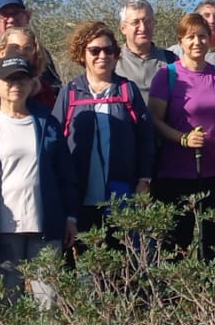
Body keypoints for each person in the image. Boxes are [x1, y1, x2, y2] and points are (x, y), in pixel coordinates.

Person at [0, 54, 70, 299]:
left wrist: (70, 217)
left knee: (49, 304)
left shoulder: (47, 124)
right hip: (1, 229)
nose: (15, 85)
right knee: (9, 305)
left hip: (45, 227)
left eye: (21, 78)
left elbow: (65, 175)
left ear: (32, 84)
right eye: (8, 79)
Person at [58, 21, 156, 245]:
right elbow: (56, 146)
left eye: (109, 50)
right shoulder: (70, 93)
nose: (103, 55)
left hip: (122, 193)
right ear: (82, 54)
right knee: (88, 267)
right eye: (95, 50)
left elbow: (145, 137)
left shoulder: (127, 90)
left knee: (124, 263)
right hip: (80, 197)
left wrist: (144, 179)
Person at [148, 12, 215, 258]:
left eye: (203, 36)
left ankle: (210, 296)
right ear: (180, 41)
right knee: (176, 246)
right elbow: (153, 120)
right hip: (176, 175)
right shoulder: (168, 75)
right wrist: (182, 138)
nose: (197, 42)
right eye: (191, 37)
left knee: (214, 247)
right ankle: (174, 297)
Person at [0, 24, 62, 115]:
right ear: (2, 52)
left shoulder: (45, 93)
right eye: (15, 47)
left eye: (27, 48)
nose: (21, 52)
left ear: (36, 54)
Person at [116, 0, 176, 93]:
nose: (143, 28)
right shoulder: (113, 61)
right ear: (123, 28)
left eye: (147, 21)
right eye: (135, 22)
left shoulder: (171, 60)